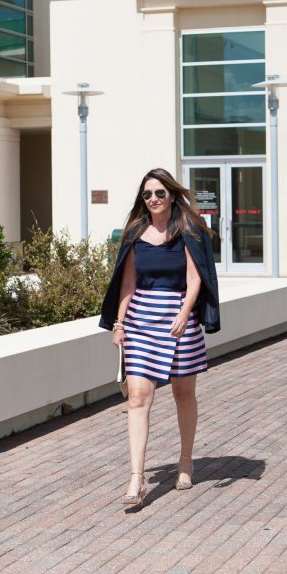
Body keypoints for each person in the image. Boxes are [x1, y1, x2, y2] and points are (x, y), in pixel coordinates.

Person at [99, 168, 220, 507]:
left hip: (178, 319)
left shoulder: (188, 231)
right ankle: (136, 477)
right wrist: (119, 324)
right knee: (137, 397)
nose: (152, 199)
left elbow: (195, 279)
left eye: (159, 194)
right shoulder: (136, 233)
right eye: (147, 195)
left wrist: (185, 314)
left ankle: (185, 461)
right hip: (140, 321)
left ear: (171, 196)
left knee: (184, 394)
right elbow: (127, 283)